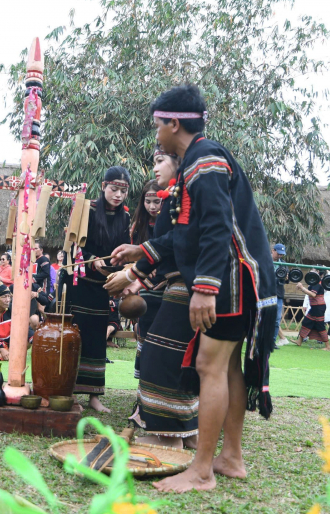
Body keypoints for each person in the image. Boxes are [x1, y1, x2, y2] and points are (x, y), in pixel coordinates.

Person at [113, 85, 276, 493]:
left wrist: (204, 290)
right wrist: (142, 250)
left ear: (173, 123)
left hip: (230, 279)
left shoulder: (204, 159)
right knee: (228, 367)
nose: (156, 136)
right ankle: (231, 458)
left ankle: (202, 471)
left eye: (157, 126)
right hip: (238, 276)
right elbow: (183, 236)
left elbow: (217, 228)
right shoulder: (194, 162)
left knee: (210, 366)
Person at [105, 146, 199, 449]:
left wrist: (133, 274)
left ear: (178, 162)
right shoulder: (177, 195)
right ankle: (187, 432)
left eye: (160, 161)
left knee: (161, 357)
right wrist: (137, 270)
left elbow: (176, 241)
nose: (155, 168)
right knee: (177, 359)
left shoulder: (185, 194)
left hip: (191, 285)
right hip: (179, 284)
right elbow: (169, 243)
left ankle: (168, 437)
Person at [66, 165, 131, 414]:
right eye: (114, 189)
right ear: (103, 186)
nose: (118, 195)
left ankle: (94, 396)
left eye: (123, 191)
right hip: (78, 283)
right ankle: (69, 392)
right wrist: (91, 258)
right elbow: (73, 245)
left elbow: (124, 249)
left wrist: (118, 265)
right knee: (75, 337)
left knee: (96, 339)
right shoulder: (86, 209)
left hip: (102, 285)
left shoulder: (125, 217)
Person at [295, 269, 330, 350]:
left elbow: (313, 294)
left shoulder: (317, 284)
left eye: (312, 271)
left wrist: (302, 288)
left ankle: (328, 346)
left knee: (320, 326)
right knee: (306, 322)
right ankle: (299, 341)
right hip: (314, 307)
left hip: (319, 308)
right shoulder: (313, 283)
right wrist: (301, 288)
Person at [129, 179, 162, 245]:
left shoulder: (173, 223)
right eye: (148, 202)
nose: (152, 207)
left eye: (157, 202)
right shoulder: (138, 225)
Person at [272, 244, 290, 346]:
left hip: (278, 294)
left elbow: (287, 280)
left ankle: (272, 341)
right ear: (273, 250)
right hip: (265, 293)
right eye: (278, 253)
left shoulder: (283, 264)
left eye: (281, 254)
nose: (280, 256)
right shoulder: (265, 260)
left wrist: (287, 278)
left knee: (276, 319)